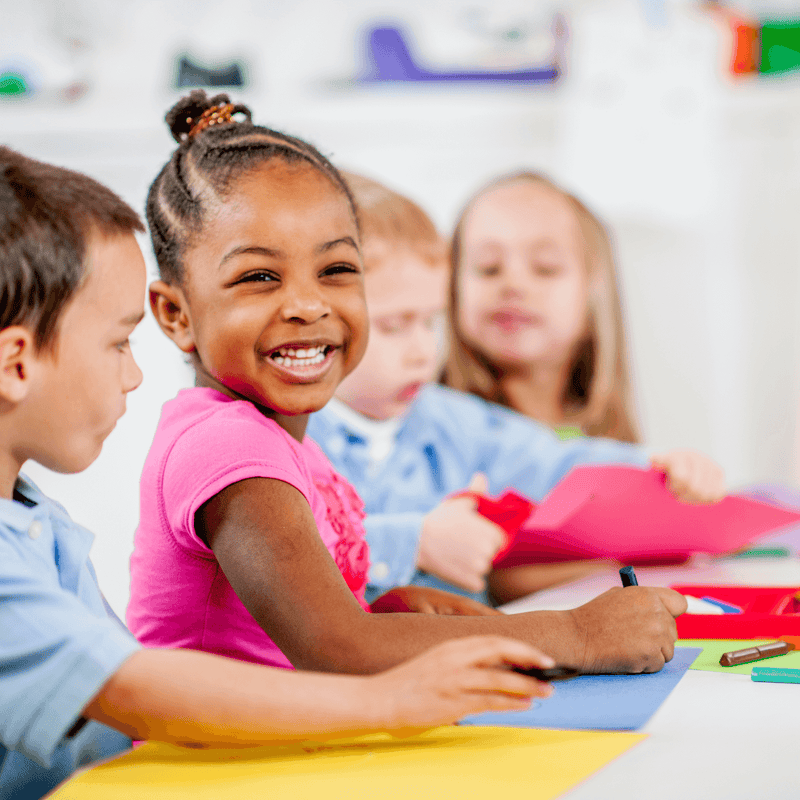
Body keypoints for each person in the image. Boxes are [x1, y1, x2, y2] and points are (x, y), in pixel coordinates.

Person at [0, 146, 559, 800]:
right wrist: (389, 700)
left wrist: (384, 617)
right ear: (17, 363)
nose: (133, 374)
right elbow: (128, 687)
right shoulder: (220, 443)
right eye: (118, 343)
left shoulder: (36, 519)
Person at [128, 90, 687, 682]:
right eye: (259, 276)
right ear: (176, 315)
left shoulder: (286, 441)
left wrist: (395, 610)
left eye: (337, 270)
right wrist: (577, 633)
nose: (308, 305)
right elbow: (339, 648)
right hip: (215, 770)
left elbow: (322, 626)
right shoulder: (230, 448)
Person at [308, 173, 726, 605]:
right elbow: (284, 548)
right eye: (395, 325)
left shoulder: (452, 418)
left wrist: (658, 468)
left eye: (431, 323)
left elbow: (554, 463)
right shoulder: (294, 435)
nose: (423, 351)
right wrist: (414, 543)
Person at [442, 171, 639, 442]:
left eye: (545, 268)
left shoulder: (617, 453)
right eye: (488, 268)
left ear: (594, 291)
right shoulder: (428, 435)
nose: (513, 284)